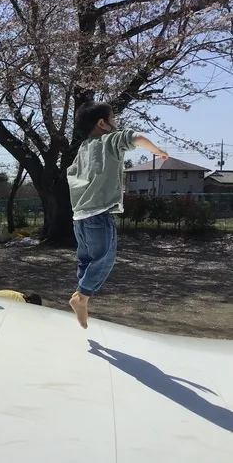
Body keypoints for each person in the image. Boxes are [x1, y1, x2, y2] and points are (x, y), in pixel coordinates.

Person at [66, 102, 168, 329]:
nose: (116, 123)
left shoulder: (82, 150)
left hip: (79, 217)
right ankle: (81, 297)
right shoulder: (111, 140)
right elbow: (138, 138)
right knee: (105, 259)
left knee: (87, 260)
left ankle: (81, 297)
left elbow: (73, 176)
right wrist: (157, 151)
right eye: (113, 118)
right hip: (99, 216)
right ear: (102, 123)